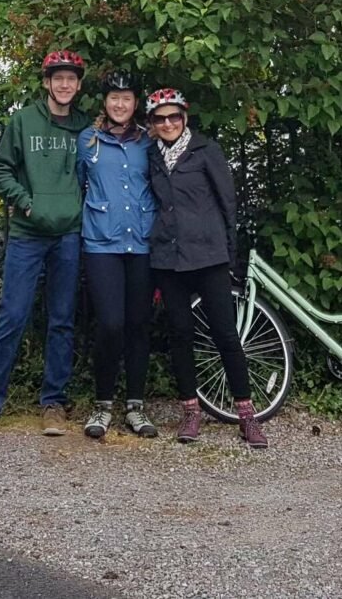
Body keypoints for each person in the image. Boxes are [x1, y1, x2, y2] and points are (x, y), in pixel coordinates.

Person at [0, 50, 90, 441]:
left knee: (62, 320)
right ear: (46, 83)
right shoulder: (23, 121)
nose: (65, 84)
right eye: (58, 78)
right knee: (13, 316)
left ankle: (53, 401)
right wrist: (27, 201)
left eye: (71, 78)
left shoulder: (85, 128)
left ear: (79, 85)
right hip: (27, 235)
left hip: (68, 233)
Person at [144, 88, 268, 449]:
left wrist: (230, 254)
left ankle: (247, 414)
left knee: (226, 335)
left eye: (174, 117)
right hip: (168, 258)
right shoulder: (150, 156)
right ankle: (191, 411)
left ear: (185, 118)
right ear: (152, 123)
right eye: (160, 118)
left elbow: (227, 202)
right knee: (180, 335)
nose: (168, 123)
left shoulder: (206, 150)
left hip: (209, 256)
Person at [77, 72, 158, 439]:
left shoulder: (149, 142)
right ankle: (103, 404)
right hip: (101, 243)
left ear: (135, 104)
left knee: (139, 325)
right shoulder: (88, 140)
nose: (120, 104)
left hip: (140, 243)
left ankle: (136, 407)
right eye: (114, 98)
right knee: (110, 324)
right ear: (105, 102)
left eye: (126, 98)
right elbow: (79, 182)